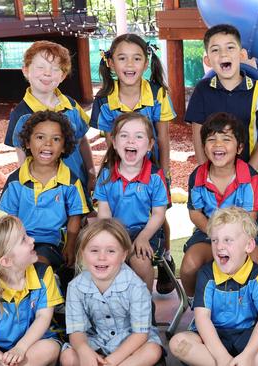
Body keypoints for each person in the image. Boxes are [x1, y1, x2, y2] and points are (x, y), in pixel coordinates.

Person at [184, 23, 258, 278]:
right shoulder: (203, 89)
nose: (223, 54)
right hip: (214, 172)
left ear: (242, 54)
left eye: (230, 48)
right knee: (218, 222)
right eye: (215, 50)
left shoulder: (257, 88)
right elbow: (197, 129)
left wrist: (249, 169)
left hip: (249, 175)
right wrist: (207, 168)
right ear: (207, 58)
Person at [91, 33, 177, 294]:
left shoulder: (157, 93)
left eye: (137, 58)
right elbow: (109, 142)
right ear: (111, 63)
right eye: (122, 58)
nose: (130, 64)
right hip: (122, 167)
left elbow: (162, 135)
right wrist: (112, 171)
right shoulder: (104, 99)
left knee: (158, 213)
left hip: (152, 168)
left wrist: (165, 169)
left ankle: (166, 257)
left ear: (146, 62)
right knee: (121, 211)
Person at [169, 207, 258, 366]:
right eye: (214, 240)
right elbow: (202, 319)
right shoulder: (206, 275)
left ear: (248, 245)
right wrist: (222, 357)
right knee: (177, 343)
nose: (219, 246)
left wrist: (248, 354)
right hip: (213, 339)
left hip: (248, 336)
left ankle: (246, 362)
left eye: (228, 240)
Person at [180, 112, 258, 298]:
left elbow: (249, 218)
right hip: (208, 234)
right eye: (211, 139)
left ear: (239, 148)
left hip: (243, 233)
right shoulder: (198, 176)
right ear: (204, 147)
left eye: (226, 139)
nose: (218, 145)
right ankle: (195, 304)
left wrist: (229, 240)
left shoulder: (251, 177)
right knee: (189, 266)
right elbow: (195, 214)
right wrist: (216, 236)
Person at [60, 219, 163, 366]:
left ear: (123, 255)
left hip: (130, 340)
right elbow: (76, 331)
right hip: (96, 340)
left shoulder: (136, 286)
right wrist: (84, 351)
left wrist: (110, 362)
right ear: (82, 253)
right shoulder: (75, 287)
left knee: (152, 351)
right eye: (94, 250)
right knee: (68, 357)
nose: (102, 257)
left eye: (111, 251)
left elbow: (140, 334)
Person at [0, 111, 90, 269]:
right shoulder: (15, 181)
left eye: (56, 139)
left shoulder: (71, 182)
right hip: (21, 242)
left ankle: (50, 285)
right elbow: (11, 220)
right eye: (40, 137)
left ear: (64, 147)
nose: (48, 144)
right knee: (0, 269)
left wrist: (70, 246)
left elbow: (75, 217)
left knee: (37, 264)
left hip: (53, 243)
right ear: (27, 143)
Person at [4, 40, 95, 193]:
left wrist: (91, 174)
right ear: (25, 70)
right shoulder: (21, 114)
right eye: (40, 67)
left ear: (63, 75)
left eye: (55, 69)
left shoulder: (71, 105)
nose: (47, 73)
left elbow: (82, 141)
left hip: (78, 187)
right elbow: (22, 158)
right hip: (46, 193)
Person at [0, 216, 63, 366]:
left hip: (32, 346)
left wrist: (21, 348)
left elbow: (43, 317)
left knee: (49, 348)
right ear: (6, 261)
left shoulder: (43, 274)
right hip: (0, 354)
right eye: (23, 239)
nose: (32, 240)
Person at [93, 112, 169, 293]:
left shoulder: (155, 177)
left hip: (146, 232)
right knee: (105, 261)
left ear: (150, 144)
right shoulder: (106, 175)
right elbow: (104, 214)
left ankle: (145, 309)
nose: (131, 141)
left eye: (139, 136)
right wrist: (113, 240)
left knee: (140, 262)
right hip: (115, 231)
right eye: (124, 135)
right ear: (114, 141)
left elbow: (159, 214)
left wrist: (143, 237)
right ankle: (113, 308)